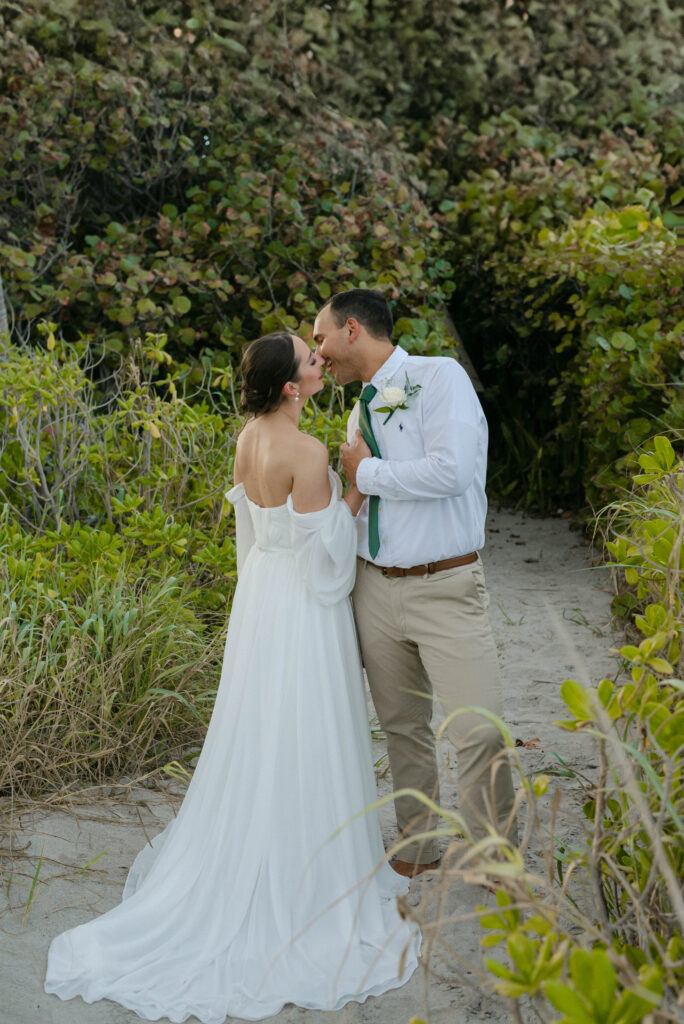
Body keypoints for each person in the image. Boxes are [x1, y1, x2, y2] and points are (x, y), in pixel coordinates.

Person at [44, 331, 419, 1024]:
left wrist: (259, 601)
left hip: (261, 605)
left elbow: (254, 536)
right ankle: (306, 883)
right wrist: (355, 488)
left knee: (260, 731)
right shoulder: (306, 453)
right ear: (291, 387)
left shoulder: (249, 436)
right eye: (310, 363)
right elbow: (328, 563)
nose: (319, 363)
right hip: (301, 611)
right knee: (304, 731)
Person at [313, 290, 516, 877]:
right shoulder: (357, 412)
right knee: (402, 729)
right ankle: (417, 845)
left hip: (445, 586)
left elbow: (454, 471)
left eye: (322, 338)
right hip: (374, 588)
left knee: (478, 730)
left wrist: (366, 472)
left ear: (353, 330)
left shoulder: (439, 378)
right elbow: (356, 509)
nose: (319, 353)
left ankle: (495, 861)